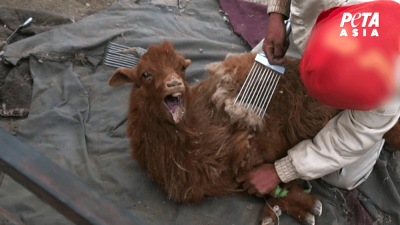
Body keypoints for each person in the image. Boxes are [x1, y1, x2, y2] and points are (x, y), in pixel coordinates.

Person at [237, 0, 400, 196]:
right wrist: (277, 17)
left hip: (383, 83)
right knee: (251, 73)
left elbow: (349, 139)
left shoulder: (391, 89)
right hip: (323, 23)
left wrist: (281, 171)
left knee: (341, 177)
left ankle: (385, 129)